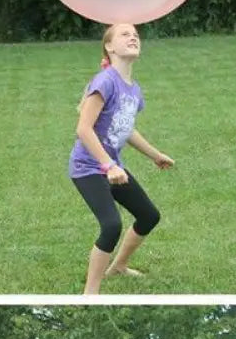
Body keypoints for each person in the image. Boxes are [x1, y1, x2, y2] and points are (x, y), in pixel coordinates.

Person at [69, 23, 174, 294]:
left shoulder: (134, 90)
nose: (133, 37)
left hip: (112, 167)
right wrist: (109, 164)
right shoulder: (105, 81)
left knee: (148, 215)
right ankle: (90, 293)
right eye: (125, 34)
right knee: (111, 225)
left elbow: (126, 128)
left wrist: (155, 155)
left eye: (136, 35)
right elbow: (83, 127)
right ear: (109, 46)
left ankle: (118, 266)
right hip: (88, 167)